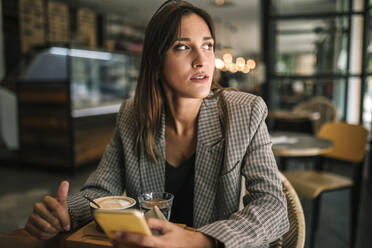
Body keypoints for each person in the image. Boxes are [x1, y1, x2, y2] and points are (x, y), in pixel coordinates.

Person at [25, 1, 289, 247]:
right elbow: (102, 190)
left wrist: (199, 241)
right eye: (183, 47)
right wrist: (63, 213)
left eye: (208, 45)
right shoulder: (133, 114)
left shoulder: (244, 111)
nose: (202, 59)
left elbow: (273, 207)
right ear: (156, 60)